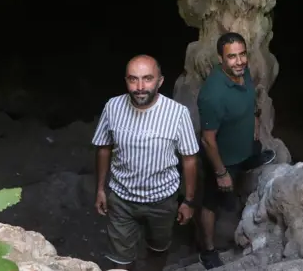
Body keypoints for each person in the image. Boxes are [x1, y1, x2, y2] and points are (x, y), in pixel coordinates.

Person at [91, 55, 200, 271]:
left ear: (160, 81)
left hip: (163, 200)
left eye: (147, 79)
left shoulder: (177, 114)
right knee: (120, 260)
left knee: (158, 250)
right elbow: (104, 147)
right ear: (126, 81)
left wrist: (188, 201)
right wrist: (101, 189)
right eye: (133, 79)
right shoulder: (113, 107)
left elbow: (189, 159)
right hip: (122, 200)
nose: (140, 87)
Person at [196, 32, 275, 269]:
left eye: (242, 54)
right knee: (211, 203)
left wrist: (256, 123)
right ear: (221, 59)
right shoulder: (213, 95)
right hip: (223, 158)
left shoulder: (243, 72)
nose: (239, 61)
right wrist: (220, 172)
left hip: (242, 145)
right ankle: (207, 250)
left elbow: (251, 99)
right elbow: (208, 140)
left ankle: (250, 159)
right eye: (232, 57)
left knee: (254, 150)